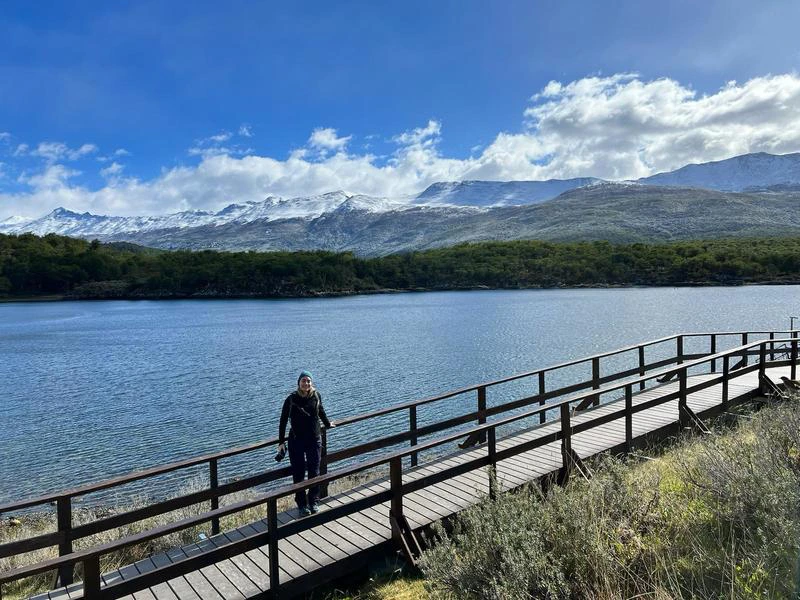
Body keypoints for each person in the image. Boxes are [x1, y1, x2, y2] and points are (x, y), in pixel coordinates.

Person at [277, 371, 334, 516]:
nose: (306, 383)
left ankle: (313, 500)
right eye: (303, 381)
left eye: (308, 381)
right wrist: (281, 442)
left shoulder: (316, 395)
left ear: (311, 383)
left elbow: (320, 411)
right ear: (298, 383)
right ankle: (302, 504)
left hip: (314, 439)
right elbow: (283, 421)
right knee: (299, 472)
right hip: (296, 440)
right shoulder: (291, 399)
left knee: (314, 471)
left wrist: (327, 424)